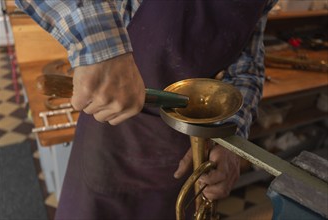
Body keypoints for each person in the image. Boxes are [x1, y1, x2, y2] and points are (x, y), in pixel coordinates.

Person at [16, 0, 277, 219]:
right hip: (111, 148)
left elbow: (246, 69)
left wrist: (233, 139)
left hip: (184, 158)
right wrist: (102, 49)